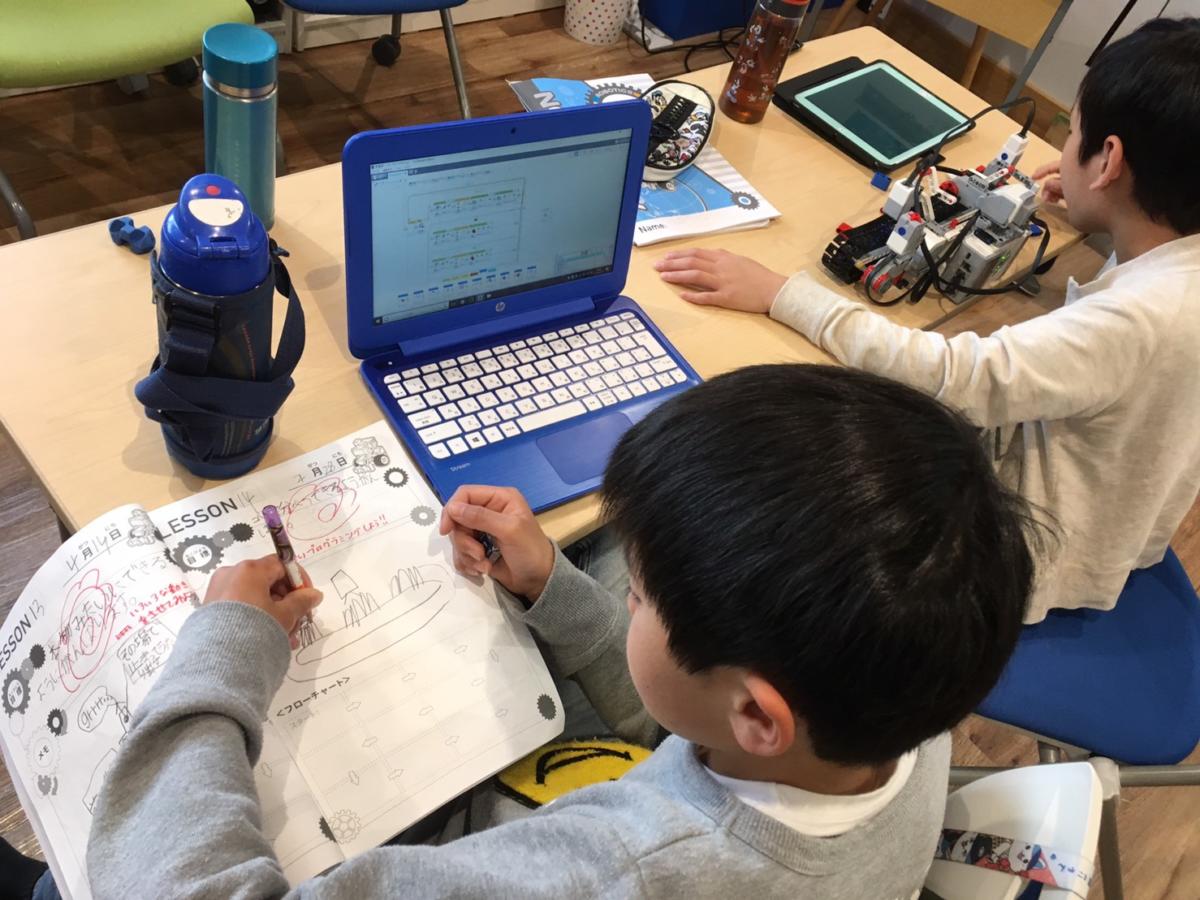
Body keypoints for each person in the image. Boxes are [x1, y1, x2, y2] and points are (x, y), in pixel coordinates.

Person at [52, 364, 1036, 899]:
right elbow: (695, 724)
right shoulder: (904, 712)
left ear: (759, 715)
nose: (627, 599)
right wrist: (556, 587)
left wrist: (226, 642)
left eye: (638, 594)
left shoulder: (618, 874)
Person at [656, 17, 1200, 623]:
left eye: (1071, 135)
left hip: (1028, 553)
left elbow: (955, 380)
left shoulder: (1138, 322)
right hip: (1122, 523)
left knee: (788, 450)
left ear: (1109, 162)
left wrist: (782, 293)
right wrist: (1094, 204)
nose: (1063, 151)